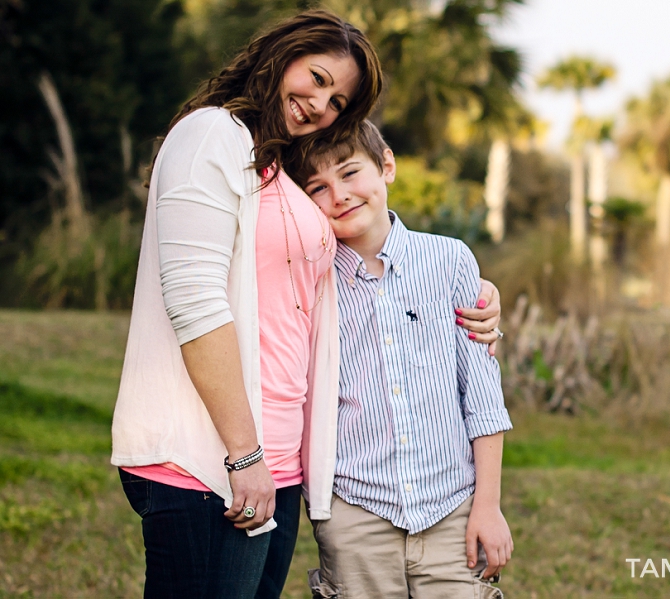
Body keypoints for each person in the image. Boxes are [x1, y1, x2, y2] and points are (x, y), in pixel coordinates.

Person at [110, 10, 501, 598]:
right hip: (209, 460)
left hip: (279, 463)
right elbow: (193, 299)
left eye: (338, 101)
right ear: (282, 54)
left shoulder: (273, 162)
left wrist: (468, 289)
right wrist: (244, 456)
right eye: (316, 77)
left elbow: (329, 279)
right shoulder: (212, 133)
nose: (320, 104)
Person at [295, 120, 513, 598]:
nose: (339, 195)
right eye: (318, 187)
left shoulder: (450, 261)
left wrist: (488, 505)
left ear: (386, 166)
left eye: (351, 173)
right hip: (355, 510)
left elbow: (481, 393)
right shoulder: (311, 278)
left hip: (451, 507)